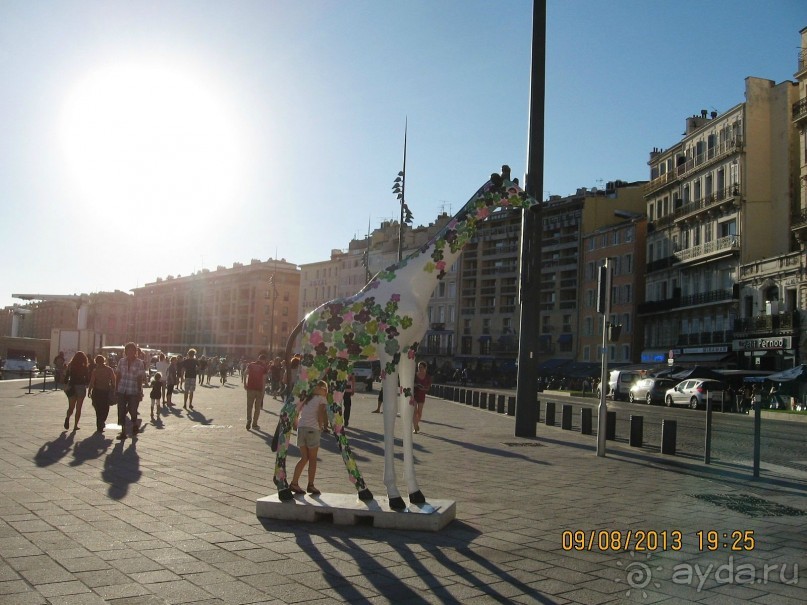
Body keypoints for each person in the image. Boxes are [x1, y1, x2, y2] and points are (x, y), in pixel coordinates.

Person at [289, 380, 328, 496]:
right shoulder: (321, 399)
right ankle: (311, 485)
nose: (326, 391)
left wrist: (296, 424)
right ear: (319, 389)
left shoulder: (306, 398)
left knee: (304, 457)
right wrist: (321, 426)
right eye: (324, 389)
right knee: (313, 459)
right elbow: (320, 414)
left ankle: (294, 482)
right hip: (312, 428)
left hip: (301, 428)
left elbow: (296, 410)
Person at [115, 342, 146, 440]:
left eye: (133, 350)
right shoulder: (121, 361)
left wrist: (140, 391)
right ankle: (123, 432)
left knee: (133, 410)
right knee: (121, 411)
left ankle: (134, 424)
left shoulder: (139, 363)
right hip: (122, 389)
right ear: (126, 351)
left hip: (133, 390)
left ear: (135, 352)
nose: (130, 352)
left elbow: (140, 378)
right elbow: (118, 375)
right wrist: (116, 388)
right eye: (128, 350)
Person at [88, 354, 116, 433]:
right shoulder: (109, 369)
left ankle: (99, 424)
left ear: (96, 362)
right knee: (105, 408)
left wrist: (89, 390)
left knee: (98, 409)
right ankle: (102, 421)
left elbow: (92, 382)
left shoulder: (95, 371)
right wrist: (114, 388)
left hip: (97, 392)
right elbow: (113, 379)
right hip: (106, 391)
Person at [63, 351, 90, 431]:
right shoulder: (84, 367)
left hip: (72, 386)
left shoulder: (71, 366)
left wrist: (66, 385)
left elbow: (66, 378)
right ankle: (75, 425)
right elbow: (87, 378)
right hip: (81, 387)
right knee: (79, 408)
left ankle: (67, 417)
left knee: (71, 407)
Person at [243, 353, 269, 430]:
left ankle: (249, 420)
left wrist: (245, 383)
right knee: (257, 408)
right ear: (264, 360)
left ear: (258, 358)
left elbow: (244, 374)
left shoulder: (251, 365)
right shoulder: (264, 367)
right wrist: (263, 392)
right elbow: (264, 380)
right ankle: (254, 424)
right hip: (259, 389)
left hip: (250, 388)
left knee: (249, 406)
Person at [413, 361, 432, 434]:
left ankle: (416, 423)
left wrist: (422, 388)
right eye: (418, 367)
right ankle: (415, 428)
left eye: (421, 367)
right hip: (414, 395)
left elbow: (428, 389)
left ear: (425, 368)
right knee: (414, 412)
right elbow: (410, 384)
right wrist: (415, 385)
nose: (419, 369)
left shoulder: (428, 377)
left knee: (419, 412)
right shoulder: (414, 375)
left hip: (421, 395)